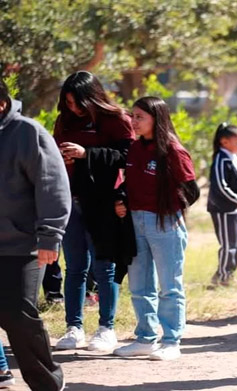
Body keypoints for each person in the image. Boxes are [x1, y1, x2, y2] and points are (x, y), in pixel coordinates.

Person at [53, 71, 135, 352]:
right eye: (68, 103)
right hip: (70, 201)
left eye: (77, 103)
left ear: (93, 97)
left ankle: (106, 329)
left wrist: (86, 153)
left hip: (103, 202)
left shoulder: (117, 120)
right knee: (74, 267)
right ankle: (73, 327)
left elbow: (128, 157)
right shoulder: (64, 120)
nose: (73, 108)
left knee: (105, 268)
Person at [113, 96, 199, 361]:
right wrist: (121, 199)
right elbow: (130, 184)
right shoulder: (136, 148)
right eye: (133, 116)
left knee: (169, 285)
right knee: (139, 284)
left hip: (164, 224)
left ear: (157, 119)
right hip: (135, 222)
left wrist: (168, 210)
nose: (133, 122)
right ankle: (145, 338)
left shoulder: (173, 150)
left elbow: (191, 191)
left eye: (140, 117)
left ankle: (172, 340)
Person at [0, 79, 69, 391]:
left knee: (17, 314)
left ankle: (47, 384)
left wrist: (50, 236)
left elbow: (52, 185)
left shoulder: (28, 133)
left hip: (21, 245)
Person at [207, 123, 237, 286]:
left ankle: (226, 273)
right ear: (224, 142)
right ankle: (224, 278)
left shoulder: (236, 157)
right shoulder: (221, 159)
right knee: (228, 244)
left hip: (236, 209)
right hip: (223, 209)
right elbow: (220, 186)